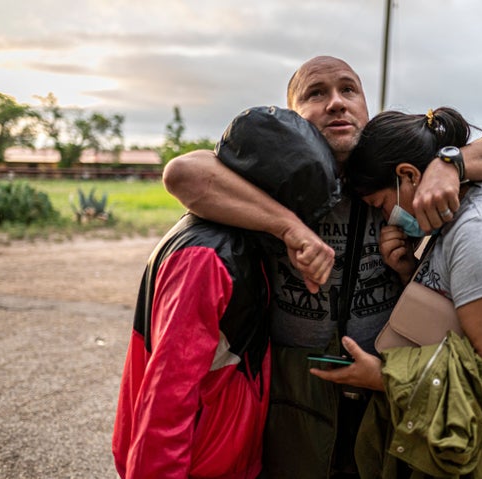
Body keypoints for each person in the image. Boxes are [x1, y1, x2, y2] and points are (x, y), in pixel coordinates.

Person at [162, 56, 482, 478]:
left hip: (386, 386)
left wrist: (452, 163)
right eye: (316, 93)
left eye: (348, 90)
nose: (336, 103)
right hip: (295, 390)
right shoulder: (270, 173)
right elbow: (183, 173)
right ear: (293, 116)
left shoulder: (392, 166)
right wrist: (290, 228)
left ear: (366, 106)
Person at [314, 106, 482, 478]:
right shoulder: (469, 200)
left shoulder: (479, 233)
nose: (388, 219)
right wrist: (409, 273)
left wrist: (382, 375)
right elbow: (460, 320)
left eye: (382, 205)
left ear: (407, 175)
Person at [112, 106, 340, 479]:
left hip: (223, 459)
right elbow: (168, 395)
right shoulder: (208, 259)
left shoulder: (235, 240)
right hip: (199, 465)